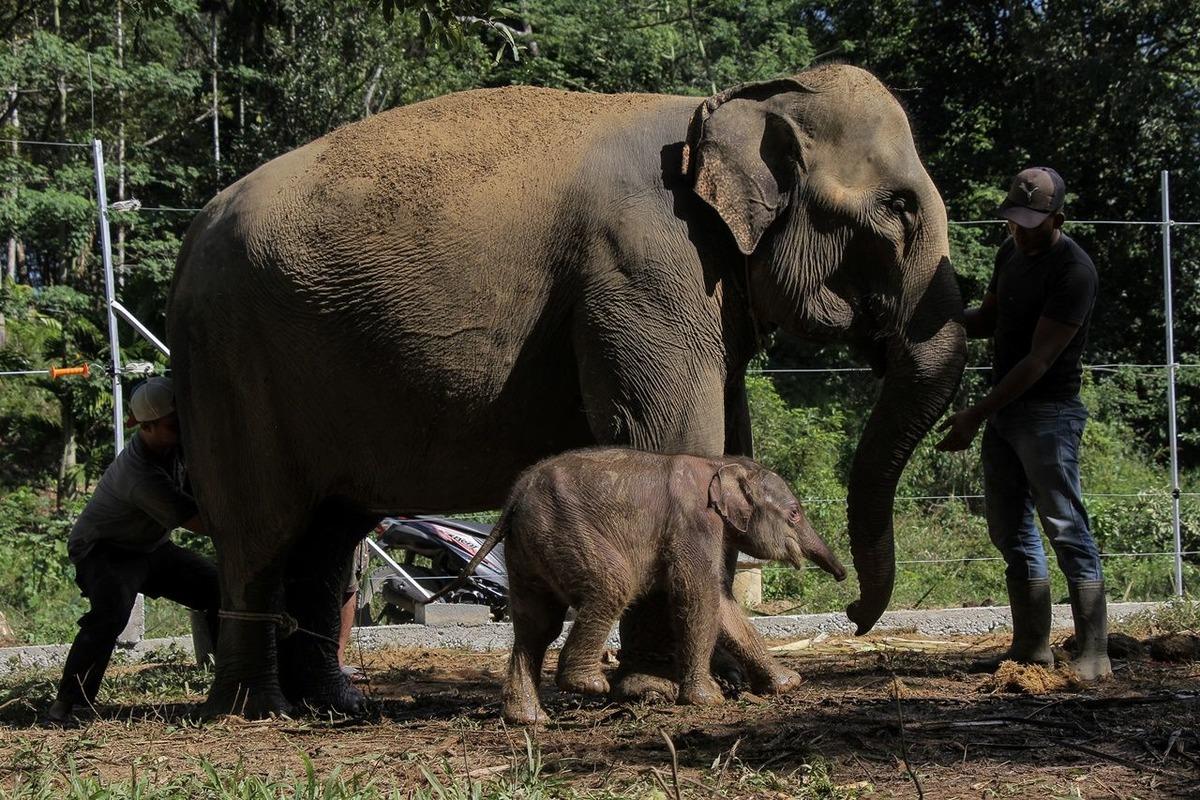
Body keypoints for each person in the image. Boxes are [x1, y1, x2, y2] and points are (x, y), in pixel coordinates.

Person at [936, 167, 1109, 680]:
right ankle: (1032, 648)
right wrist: (937, 322)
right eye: (1014, 221)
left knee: (1065, 528)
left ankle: (1094, 652)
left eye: (1032, 224)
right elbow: (990, 319)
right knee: (1010, 530)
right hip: (1005, 413)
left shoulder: (1074, 272)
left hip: (1049, 414)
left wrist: (975, 414)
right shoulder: (1009, 254)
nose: (1021, 232)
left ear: (1058, 220)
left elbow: (1038, 360)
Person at [43, 377, 220, 725]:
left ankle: (229, 679)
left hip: (151, 546)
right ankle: (66, 706)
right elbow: (200, 522)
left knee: (218, 589)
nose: (183, 430)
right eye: (174, 425)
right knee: (110, 615)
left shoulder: (174, 447)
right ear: (146, 426)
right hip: (105, 550)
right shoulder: (140, 475)